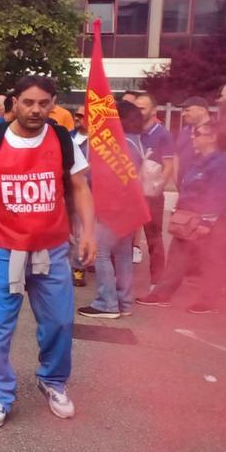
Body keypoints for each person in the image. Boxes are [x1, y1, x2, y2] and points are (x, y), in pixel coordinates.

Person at [0, 75, 95, 428]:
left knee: (59, 322)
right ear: (14, 102)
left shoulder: (63, 140)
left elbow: (80, 187)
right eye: (28, 102)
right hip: (3, 249)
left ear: (53, 104)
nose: (35, 110)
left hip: (52, 249)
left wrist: (89, 232)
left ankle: (53, 380)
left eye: (43, 103)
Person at [137, 122, 226, 313]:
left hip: (209, 221)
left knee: (212, 260)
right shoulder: (199, 160)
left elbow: (218, 194)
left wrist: (207, 221)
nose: (193, 137)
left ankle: (208, 302)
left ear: (212, 138)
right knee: (177, 258)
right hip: (188, 218)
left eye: (198, 134)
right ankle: (162, 295)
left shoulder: (221, 163)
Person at [78, 100, 144, 318]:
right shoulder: (136, 141)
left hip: (112, 206)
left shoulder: (117, 143)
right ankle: (124, 301)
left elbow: (99, 175)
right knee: (123, 254)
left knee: (101, 252)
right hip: (130, 206)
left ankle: (106, 303)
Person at [133, 92, 175, 281]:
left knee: (154, 238)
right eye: (136, 108)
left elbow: (168, 166)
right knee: (124, 237)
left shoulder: (162, 134)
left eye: (142, 108)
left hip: (152, 196)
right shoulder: (132, 131)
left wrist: (156, 188)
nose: (138, 112)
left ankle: (157, 281)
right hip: (132, 194)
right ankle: (122, 282)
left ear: (153, 110)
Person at [174, 96, 211, 183]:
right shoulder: (185, 130)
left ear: (202, 110)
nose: (183, 114)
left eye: (187, 110)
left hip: (205, 184)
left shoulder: (216, 132)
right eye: (183, 111)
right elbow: (176, 153)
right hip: (183, 184)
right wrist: (176, 178)